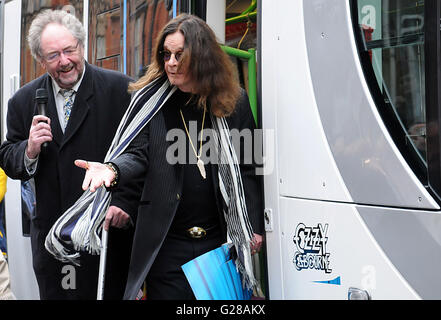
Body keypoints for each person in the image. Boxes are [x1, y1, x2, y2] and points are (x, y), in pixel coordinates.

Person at [76, 13, 264, 300]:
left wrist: (252, 223)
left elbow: (249, 166)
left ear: (202, 58)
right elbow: (137, 154)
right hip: (167, 245)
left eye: (180, 55)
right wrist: (113, 170)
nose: (171, 63)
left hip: (220, 242)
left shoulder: (234, 101)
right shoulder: (151, 102)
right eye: (166, 55)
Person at [0, 9, 137, 300]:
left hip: (105, 235)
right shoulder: (24, 101)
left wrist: (124, 203)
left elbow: (140, 154)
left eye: (69, 50)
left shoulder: (120, 90)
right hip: (53, 241)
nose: (64, 61)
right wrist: (29, 149)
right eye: (53, 56)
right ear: (40, 60)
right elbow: (9, 157)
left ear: (81, 46)